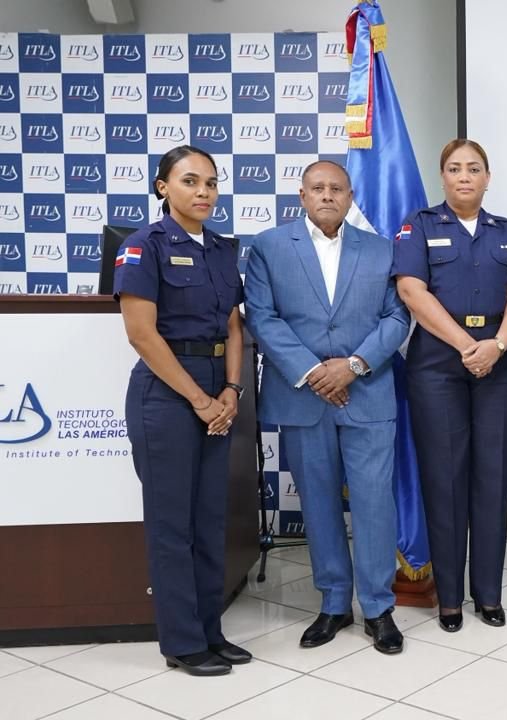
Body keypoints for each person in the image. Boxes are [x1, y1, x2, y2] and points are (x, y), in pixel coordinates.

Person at [245, 160, 410, 655]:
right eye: (317, 188)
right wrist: (316, 372)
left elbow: (397, 317)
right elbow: (262, 317)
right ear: (302, 195)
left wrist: (353, 366)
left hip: (368, 392)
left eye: (337, 188)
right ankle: (334, 603)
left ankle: (378, 608)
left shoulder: (382, 250)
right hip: (303, 395)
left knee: (375, 504)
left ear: (350, 196)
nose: (327, 195)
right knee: (317, 502)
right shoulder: (269, 246)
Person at [115, 144, 250, 676]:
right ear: (163, 187)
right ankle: (182, 641)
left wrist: (231, 391)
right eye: (190, 181)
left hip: (218, 386)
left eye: (211, 183)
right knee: (173, 525)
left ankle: (210, 632)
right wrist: (199, 400)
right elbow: (141, 334)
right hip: (167, 393)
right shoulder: (143, 246)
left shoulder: (221, 249)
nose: (203, 192)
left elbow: (234, 326)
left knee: (209, 519)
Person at [392, 139, 507, 632]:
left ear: (487, 178)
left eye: (474, 168)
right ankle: (450, 598)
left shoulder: (506, 232)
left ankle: (488, 594)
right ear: (443, 177)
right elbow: (411, 290)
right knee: (444, 478)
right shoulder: (419, 226)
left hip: (500, 360)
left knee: (493, 477)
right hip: (437, 361)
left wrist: (497, 344)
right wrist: (466, 345)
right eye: (454, 168)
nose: (464, 176)